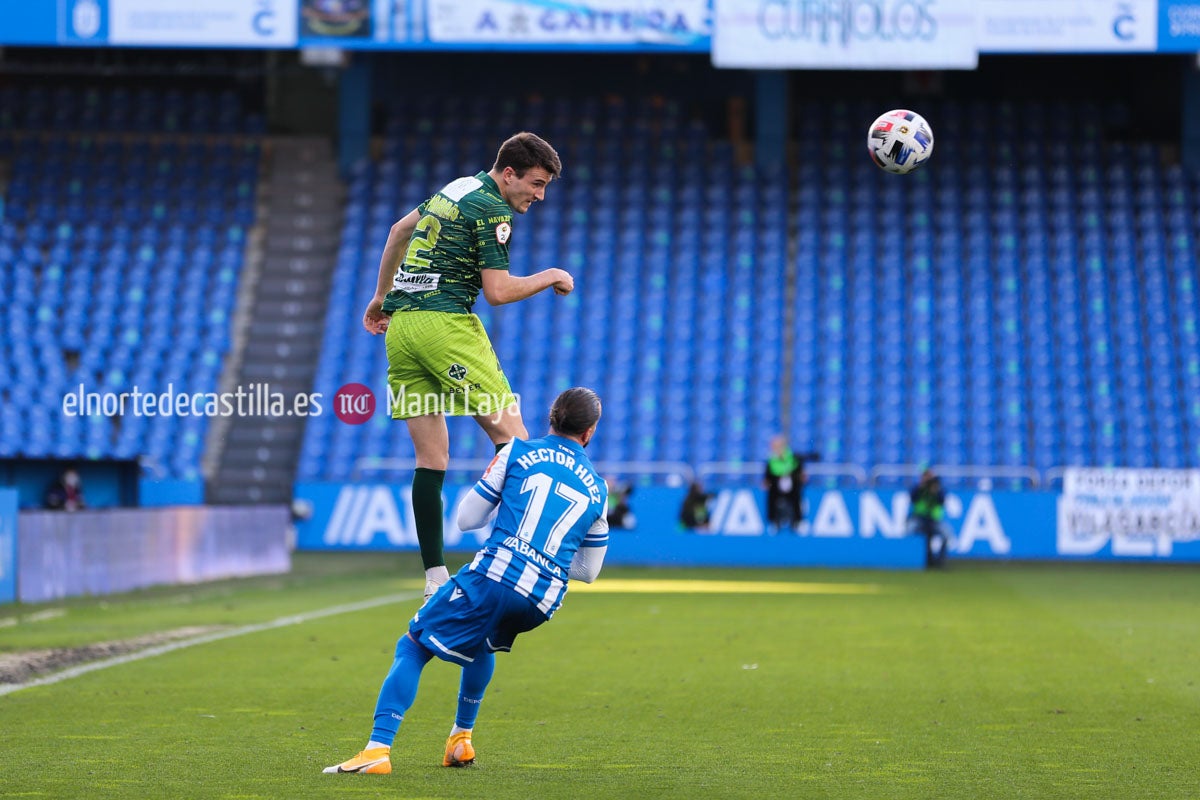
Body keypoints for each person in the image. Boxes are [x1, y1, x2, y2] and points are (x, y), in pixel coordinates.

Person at [323, 387, 609, 775]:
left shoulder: (518, 451)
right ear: (589, 432)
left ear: (551, 418)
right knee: (481, 645)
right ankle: (461, 740)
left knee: (412, 645)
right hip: (542, 600)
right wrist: (546, 557)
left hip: (496, 574)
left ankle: (377, 750)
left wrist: (513, 530)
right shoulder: (598, 486)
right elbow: (588, 571)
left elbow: (467, 519)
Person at [362, 132, 575, 599]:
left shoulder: (457, 188)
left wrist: (380, 297)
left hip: (402, 332)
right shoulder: (493, 209)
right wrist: (552, 275)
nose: (539, 196)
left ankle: (435, 575)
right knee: (515, 443)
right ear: (508, 174)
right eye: (536, 184)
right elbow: (497, 293)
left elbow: (398, 231)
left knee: (431, 458)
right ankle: (515, 563)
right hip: (446, 329)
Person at [762, 436, 819, 533]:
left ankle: (797, 522)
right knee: (771, 495)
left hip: (793, 487)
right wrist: (766, 482)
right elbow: (768, 477)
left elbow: (804, 466)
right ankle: (774, 522)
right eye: (774, 447)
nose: (776, 449)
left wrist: (802, 476)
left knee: (797, 495)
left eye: (777, 446)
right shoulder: (771, 461)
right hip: (777, 488)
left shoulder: (794, 457)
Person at [907, 468, 950, 568]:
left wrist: (935, 490)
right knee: (909, 530)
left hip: (934, 520)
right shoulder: (918, 488)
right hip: (919, 518)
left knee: (946, 536)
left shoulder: (938, 489)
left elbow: (942, 500)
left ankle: (940, 561)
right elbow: (912, 498)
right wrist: (921, 487)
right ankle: (912, 559)